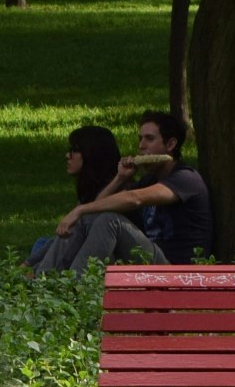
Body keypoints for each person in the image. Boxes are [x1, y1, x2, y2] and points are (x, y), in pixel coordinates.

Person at [29, 112, 212, 270]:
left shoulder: (186, 178)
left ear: (170, 144)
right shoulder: (149, 180)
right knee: (90, 217)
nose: (141, 146)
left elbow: (135, 198)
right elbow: (95, 211)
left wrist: (79, 209)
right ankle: (42, 282)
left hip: (175, 269)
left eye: (149, 139)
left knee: (110, 221)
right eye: (140, 139)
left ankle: (73, 286)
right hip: (148, 257)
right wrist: (120, 178)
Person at [26, 125, 123, 273]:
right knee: (43, 243)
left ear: (91, 154)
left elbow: (80, 231)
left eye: (74, 151)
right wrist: (27, 263)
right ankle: (34, 272)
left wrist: (32, 267)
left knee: (63, 236)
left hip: (107, 256)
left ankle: (40, 277)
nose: (67, 156)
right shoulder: (93, 189)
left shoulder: (120, 190)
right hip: (81, 248)